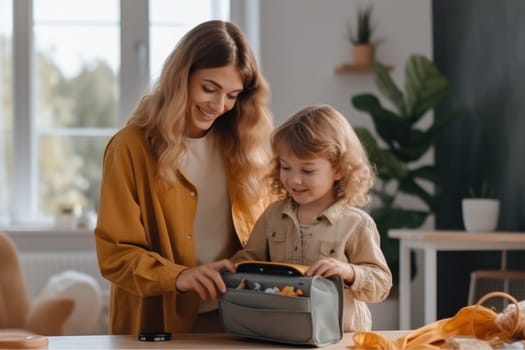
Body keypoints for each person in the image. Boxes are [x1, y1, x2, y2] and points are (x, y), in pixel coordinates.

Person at [94, 20, 274, 335]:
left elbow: (271, 232)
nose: (219, 106)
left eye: (232, 95)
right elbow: (115, 254)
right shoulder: (129, 148)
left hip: (235, 318)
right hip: (158, 320)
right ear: (181, 77)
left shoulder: (248, 148)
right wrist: (177, 276)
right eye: (209, 88)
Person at [230, 104, 392, 332]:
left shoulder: (356, 224)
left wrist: (349, 272)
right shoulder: (273, 215)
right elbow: (250, 258)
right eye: (286, 167)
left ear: (339, 169)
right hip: (282, 331)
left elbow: (381, 284)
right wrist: (232, 268)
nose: (294, 180)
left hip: (340, 337)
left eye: (307, 171)